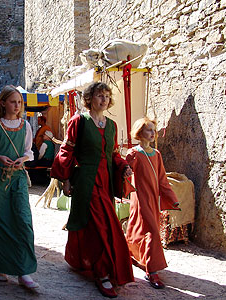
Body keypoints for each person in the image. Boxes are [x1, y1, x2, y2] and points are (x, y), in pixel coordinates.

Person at [50, 82, 134, 298]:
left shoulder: (112, 125)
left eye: (107, 96)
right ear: (89, 98)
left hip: (106, 183)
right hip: (87, 181)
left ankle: (89, 262)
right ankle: (102, 273)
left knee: (104, 224)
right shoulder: (78, 121)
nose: (103, 99)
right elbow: (67, 150)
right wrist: (66, 179)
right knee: (99, 226)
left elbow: (113, 153)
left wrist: (123, 166)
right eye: (99, 95)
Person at [0, 85, 39, 289]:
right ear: (3, 103)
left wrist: (22, 159)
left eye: (19, 102)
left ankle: (24, 270)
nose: (17, 105)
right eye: (13, 101)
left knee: (23, 221)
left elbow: (29, 152)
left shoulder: (26, 126)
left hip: (18, 178)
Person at [125, 117, 180, 289]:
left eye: (153, 130)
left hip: (153, 199)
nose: (152, 133)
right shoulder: (133, 154)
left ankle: (132, 254)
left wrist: (172, 198)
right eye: (148, 130)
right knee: (152, 232)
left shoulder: (157, 154)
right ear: (140, 132)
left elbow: (162, 179)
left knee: (139, 228)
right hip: (140, 198)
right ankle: (152, 270)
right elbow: (125, 175)